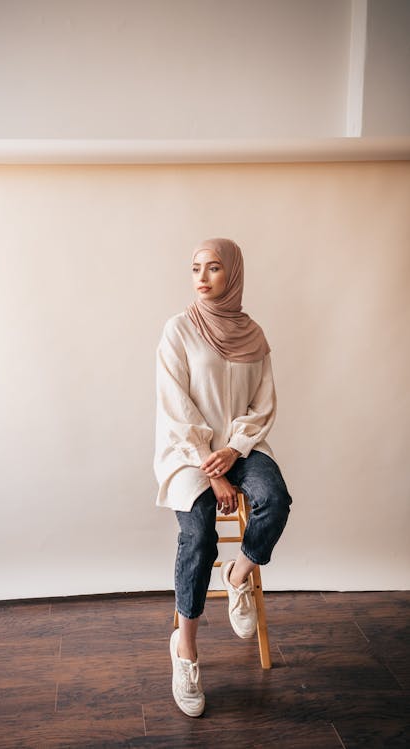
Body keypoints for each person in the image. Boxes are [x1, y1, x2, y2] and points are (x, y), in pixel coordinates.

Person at [153, 237, 292, 717]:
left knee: (275, 498)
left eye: (214, 268)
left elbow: (263, 404)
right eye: (196, 268)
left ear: (232, 274)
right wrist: (212, 468)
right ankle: (186, 649)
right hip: (190, 452)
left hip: (240, 447)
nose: (203, 277)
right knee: (198, 537)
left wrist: (235, 448)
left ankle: (239, 573)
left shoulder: (253, 334)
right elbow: (176, 408)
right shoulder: (178, 331)